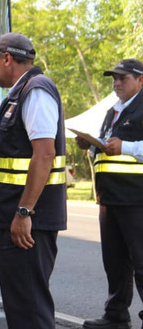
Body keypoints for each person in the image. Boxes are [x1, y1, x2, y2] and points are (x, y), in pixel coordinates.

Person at [0, 32, 67, 329]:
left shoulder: (35, 91)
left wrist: (24, 212)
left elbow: (44, 154)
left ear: (7, 58)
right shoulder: (20, 93)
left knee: (30, 308)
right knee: (21, 305)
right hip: (13, 217)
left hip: (26, 222)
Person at [77, 59, 143, 329]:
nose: (116, 83)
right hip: (110, 198)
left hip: (136, 198)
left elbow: (123, 148)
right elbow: (108, 148)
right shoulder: (113, 111)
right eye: (113, 78)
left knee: (141, 260)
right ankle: (116, 315)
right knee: (115, 260)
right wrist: (91, 145)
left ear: (140, 80)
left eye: (122, 78)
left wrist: (125, 147)